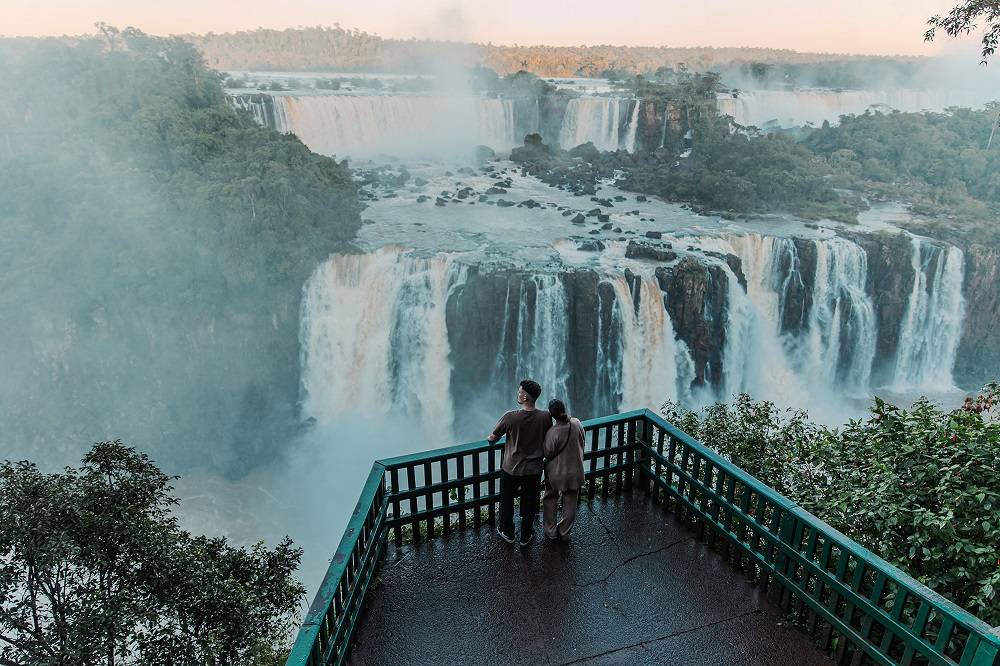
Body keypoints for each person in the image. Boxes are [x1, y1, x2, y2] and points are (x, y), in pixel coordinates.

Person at [488, 379, 551, 546]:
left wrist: (492, 438)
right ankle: (525, 535)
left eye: (520, 392)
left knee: (507, 501)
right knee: (530, 502)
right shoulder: (545, 417)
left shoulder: (510, 417)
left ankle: (507, 532)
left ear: (525, 397)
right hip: (534, 469)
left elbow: (493, 437)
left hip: (512, 469)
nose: (518, 393)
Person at [541, 399, 585, 541]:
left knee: (550, 498)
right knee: (571, 501)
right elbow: (582, 439)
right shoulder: (576, 423)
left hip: (556, 474)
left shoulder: (553, 432)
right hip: (576, 471)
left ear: (552, 415)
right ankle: (564, 531)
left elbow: (547, 453)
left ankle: (551, 531)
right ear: (564, 409)